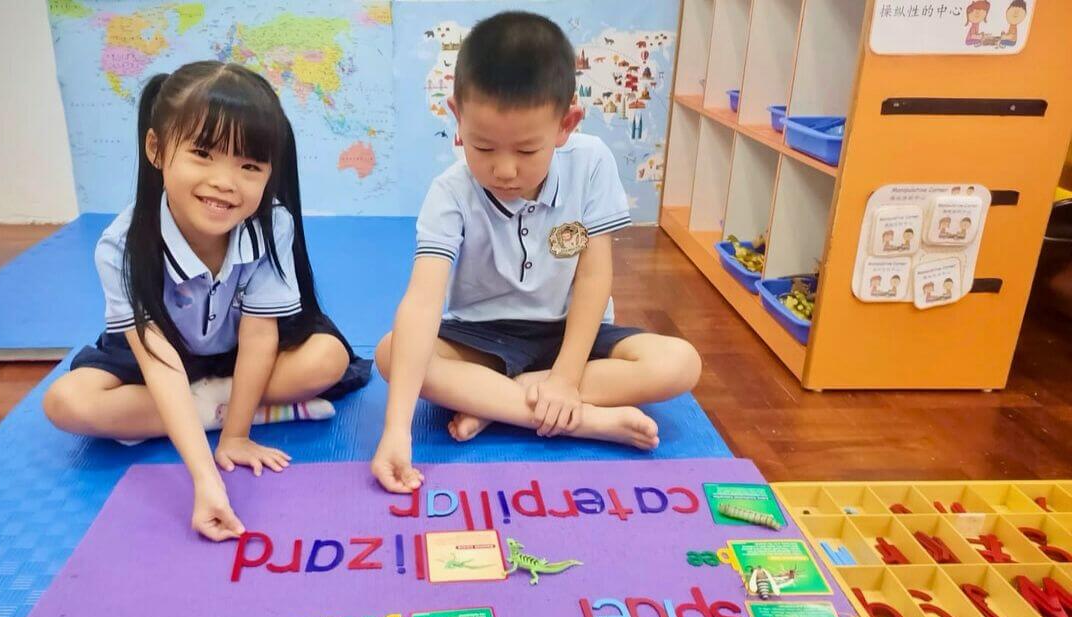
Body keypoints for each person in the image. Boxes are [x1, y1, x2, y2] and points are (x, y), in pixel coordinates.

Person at [371, 12, 700, 493]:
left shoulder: (591, 163)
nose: (504, 170)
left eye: (526, 151)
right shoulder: (449, 192)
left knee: (680, 362)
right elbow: (422, 301)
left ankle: (498, 403)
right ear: (457, 117)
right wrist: (396, 430)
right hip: (483, 337)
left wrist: (565, 378)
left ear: (566, 123)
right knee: (391, 352)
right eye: (482, 147)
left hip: (571, 334)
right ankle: (576, 418)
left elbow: (592, 278)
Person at [44, 62, 370, 540]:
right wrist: (205, 477)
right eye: (202, 154)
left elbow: (260, 335)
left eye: (249, 166)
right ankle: (223, 407)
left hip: (240, 352)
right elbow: (158, 365)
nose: (224, 182)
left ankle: (217, 409)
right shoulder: (120, 247)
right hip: (163, 359)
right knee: (66, 402)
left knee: (328, 358)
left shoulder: (271, 222)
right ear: (156, 149)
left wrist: (236, 437)